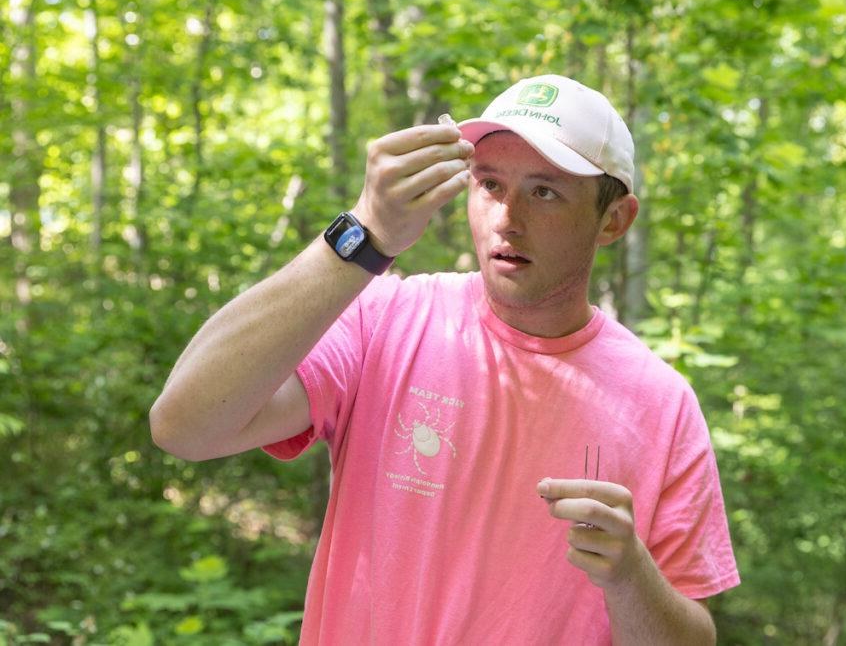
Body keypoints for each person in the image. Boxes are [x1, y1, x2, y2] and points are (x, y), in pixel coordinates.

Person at [150, 74, 740, 644]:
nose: (508, 217)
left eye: (544, 191)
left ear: (613, 219)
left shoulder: (662, 403)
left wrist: (631, 576)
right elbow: (185, 426)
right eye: (489, 185)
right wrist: (362, 235)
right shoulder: (382, 317)